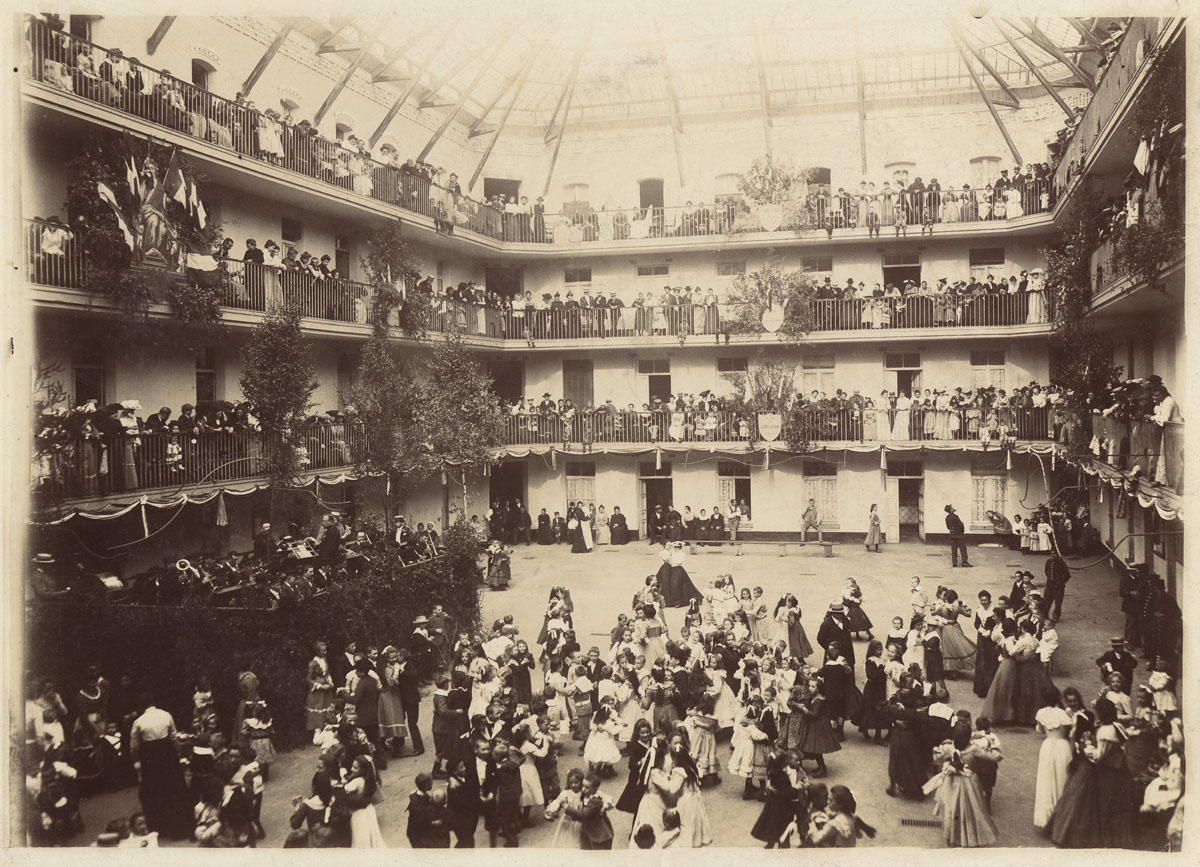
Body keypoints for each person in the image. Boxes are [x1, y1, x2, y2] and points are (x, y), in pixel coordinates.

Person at [129, 693, 193, 839]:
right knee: (172, 787)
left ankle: (158, 826)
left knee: (154, 789)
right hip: (167, 753)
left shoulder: (139, 721)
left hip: (150, 756)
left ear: (141, 706)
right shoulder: (166, 715)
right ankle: (177, 825)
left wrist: (136, 762)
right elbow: (174, 736)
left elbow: (134, 746)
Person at [922, 725, 998, 847]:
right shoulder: (974, 749)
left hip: (951, 781)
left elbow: (935, 758)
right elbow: (995, 757)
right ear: (968, 737)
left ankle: (951, 837)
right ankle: (967, 837)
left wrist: (947, 764)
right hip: (969, 781)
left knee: (951, 809)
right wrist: (991, 743)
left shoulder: (949, 747)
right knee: (971, 809)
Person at [1033, 704, 1074, 830]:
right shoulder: (1064, 714)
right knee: (1062, 778)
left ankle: (1047, 819)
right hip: (1063, 746)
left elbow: (1039, 730)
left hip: (1048, 746)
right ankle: (1062, 818)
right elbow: (1071, 731)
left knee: (1047, 781)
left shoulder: (1042, 712)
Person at [344, 754, 386, 848]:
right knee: (371, 833)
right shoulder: (368, 780)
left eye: (355, 768)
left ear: (362, 770)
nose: (351, 769)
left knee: (361, 836)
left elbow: (344, 790)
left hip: (359, 813)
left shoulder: (357, 781)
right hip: (369, 810)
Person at [564, 772, 615, 849]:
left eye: (587, 787)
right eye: (583, 786)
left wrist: (565, 806)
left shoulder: (596, 801)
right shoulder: (587, 794)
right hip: (589, 831)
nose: (583, 789)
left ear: (595, 788)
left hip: (599, 835)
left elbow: (583, 815)